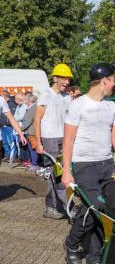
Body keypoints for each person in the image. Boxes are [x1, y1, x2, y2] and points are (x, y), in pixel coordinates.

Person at [62, 63, 115, 264]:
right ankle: (72, 244)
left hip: (107, 163)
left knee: (108, 209)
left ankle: (94, 258)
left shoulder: (111, 106)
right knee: (94, 207)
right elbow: (68, 140)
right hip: (84, 164)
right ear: (104, 80)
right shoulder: (78, 105)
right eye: (113, 80)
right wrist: (66, 171)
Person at [34, 63, 73, 219]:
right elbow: (37, 120)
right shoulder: (45, 95)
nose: (66, 82)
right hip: (49, 139)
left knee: (61, 173)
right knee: (55, 174)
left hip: (64, 138)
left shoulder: (67, 97)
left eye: (68, 79)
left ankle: (55, 207)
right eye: (63, 78)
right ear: (55, 78)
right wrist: (38, 142)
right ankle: (60, 207)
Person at [0, 91, 26, 163]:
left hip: (8, 126)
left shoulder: (3, 101)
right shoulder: (6, 102)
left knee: (10, 142)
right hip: (3, 126)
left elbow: (12, 119)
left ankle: (12, 156)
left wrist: (21, 134)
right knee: (6, 143)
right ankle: (8, 155)